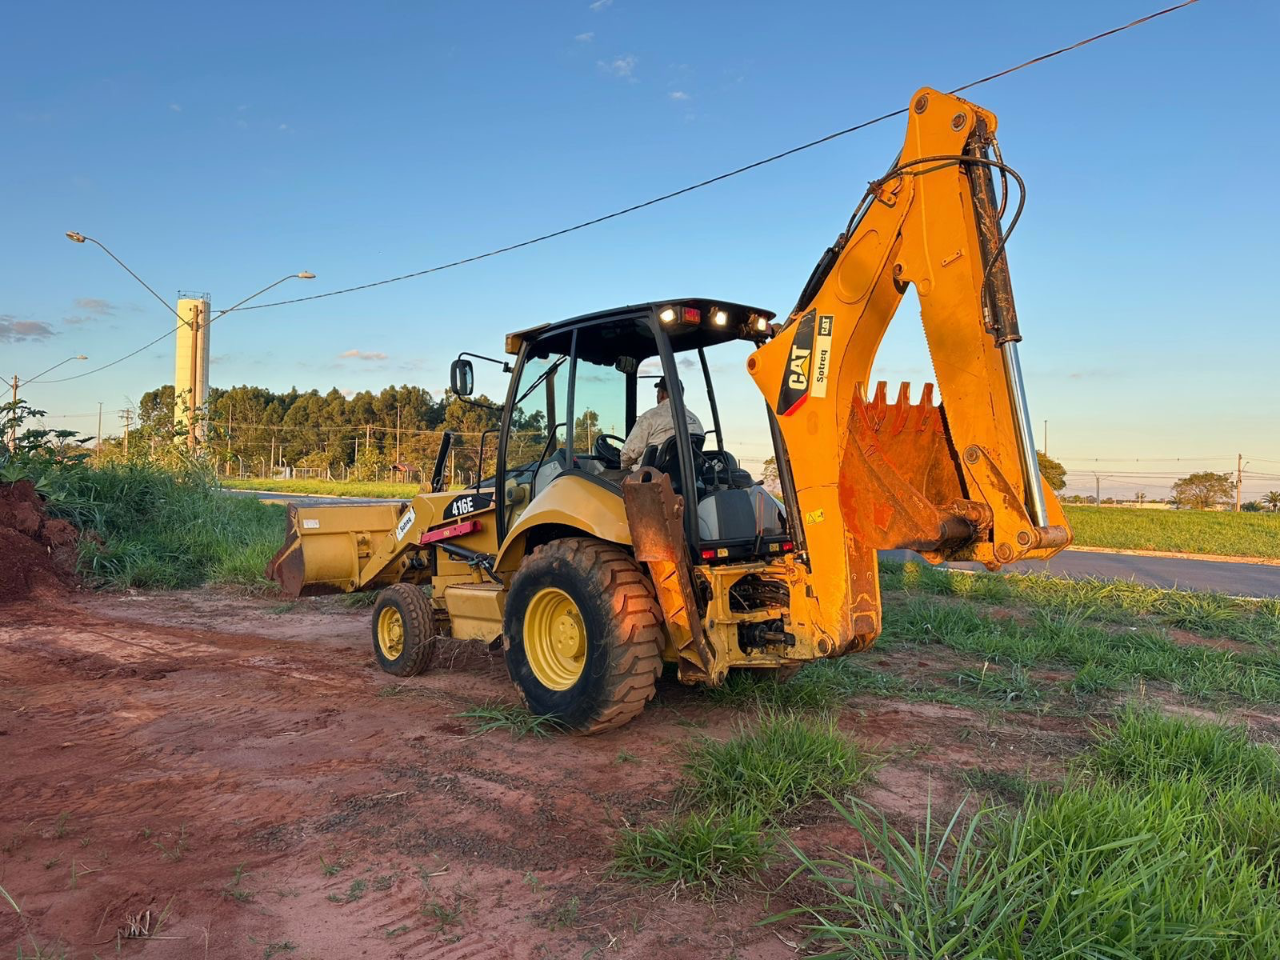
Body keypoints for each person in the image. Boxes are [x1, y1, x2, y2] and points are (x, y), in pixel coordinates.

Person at [619, 376, 705, 471]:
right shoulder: (696, 421)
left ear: (662, 395)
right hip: (683, 481)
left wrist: (623, 468)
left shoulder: (651, 416)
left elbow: (627, 455)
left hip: (650, 478)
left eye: (658, 392)